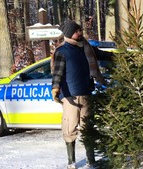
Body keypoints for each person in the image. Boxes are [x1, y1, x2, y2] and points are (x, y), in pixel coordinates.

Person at [51, 20, 105, 169]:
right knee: (70, 128)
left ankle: (91, 160)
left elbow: (101, 55)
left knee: (88, 127)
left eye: (80, 30)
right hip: (70, 97)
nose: (80, 33)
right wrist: (55, 89)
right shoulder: (62, 51)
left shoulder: (85, 48)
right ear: (69, 34)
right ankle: (71, 162)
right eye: (77, 31)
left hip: (87, 93)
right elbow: (57, 73)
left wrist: (121, 56)